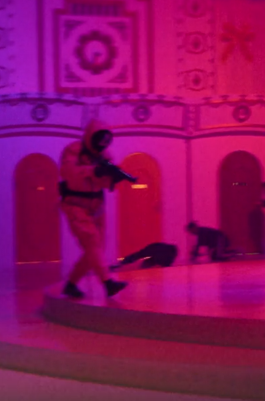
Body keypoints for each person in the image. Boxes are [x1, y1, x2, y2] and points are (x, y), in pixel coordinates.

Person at [59, 119, 136, 299]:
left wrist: (112, 178)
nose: (102, 144)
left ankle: (71, 285)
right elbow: (68, 173)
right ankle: (108, 283)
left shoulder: (105, 156)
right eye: (100, 139)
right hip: (75, 204)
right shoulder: (74, 150)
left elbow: (105, 184)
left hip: (97, 207)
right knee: (92, 241)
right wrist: (93, 171)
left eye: (106, 141)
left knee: (96, 248)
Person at [111, 242, 178, 270]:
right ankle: (120, 263)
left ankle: (119, 263)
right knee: (138, 256)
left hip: (153, 249)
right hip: (153, 250)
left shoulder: (164, 252)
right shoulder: (168, 255)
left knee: (137, 256)